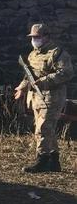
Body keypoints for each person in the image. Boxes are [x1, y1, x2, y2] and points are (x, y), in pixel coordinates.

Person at [13, 23, 74, 172]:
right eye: (33, 37)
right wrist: (22, 88)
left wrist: (44, 81)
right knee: (48, 129)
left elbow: (66, 73)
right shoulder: (33, 54)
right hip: (36, 98)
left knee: (42, 129)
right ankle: (54, 161)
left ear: (47, 37)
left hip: (52, 97)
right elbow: (29, 75)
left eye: (38, 37)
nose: (35, 40)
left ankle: (42, 160)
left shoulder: (57, 53)